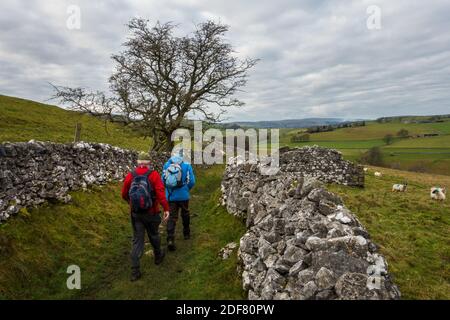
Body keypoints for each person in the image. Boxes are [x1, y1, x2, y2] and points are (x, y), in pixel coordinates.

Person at [121, 152, 170, 281]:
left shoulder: (130, 175)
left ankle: (135, 271)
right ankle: (158, 257)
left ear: (138, 162)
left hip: (136, 214)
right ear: (148, 163)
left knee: (137, 240)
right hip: (152, 212)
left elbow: (124, 194)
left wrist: (131, 203)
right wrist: (166, 209)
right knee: (154, 234)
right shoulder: (153, 175)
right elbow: (160, 194)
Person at [162, 153, 196, 251]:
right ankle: (186, 233)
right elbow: (192, 181)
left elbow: (163, 180)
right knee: (185, 213)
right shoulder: (186, 165)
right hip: (183, 196)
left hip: (171, 196)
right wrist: (185, 189)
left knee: (171, 216)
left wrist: (168, 190)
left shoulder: (167, 165)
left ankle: (170, 239)